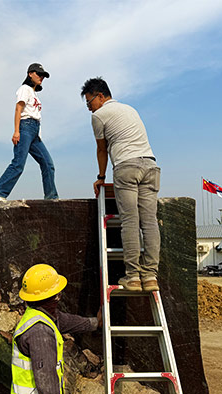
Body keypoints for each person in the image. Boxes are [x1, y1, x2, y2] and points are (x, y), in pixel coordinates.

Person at [10, 264, 100, 394]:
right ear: (53, 297)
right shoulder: (40, 331)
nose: (60, 297)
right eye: (58, 293)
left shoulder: (39, 315)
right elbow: (46, 379)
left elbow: (66, 321)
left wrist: (94, 323)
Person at [83, 77, 160, 291]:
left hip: (127, 167)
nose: (89, 108)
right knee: (150, 222)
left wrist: (100, 177)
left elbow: (102, 149)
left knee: (130, 221)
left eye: (89, 102)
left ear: (100, 96)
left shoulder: (99, 116)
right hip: (151, 166)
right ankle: (151, 277)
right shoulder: (130, 109)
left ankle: (133, 277)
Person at [0, 63, 59, 202]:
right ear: (30, 74)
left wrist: (37, 134)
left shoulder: (34, 94)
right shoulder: (24, 89)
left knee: (48, 164)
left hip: (35, 132)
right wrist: (16, 131)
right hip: (25, 127)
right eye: (39, 74)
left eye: (43, 76)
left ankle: (51, 197)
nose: (41, 77)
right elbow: (18, 109)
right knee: (18, 164)